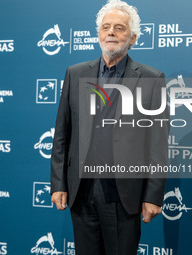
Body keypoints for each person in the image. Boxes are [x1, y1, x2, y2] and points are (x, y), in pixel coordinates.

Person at [50, 0, 169, 254]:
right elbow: (62, 134)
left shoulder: (151, 78)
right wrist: (59, 184)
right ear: (99, 34)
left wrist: (153, 196)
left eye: (119, 28)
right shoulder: (75, 73)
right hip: (81, 193)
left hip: (124, 196)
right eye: (106, 27)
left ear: (133, 38)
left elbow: (158, 143)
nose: (111, 32)